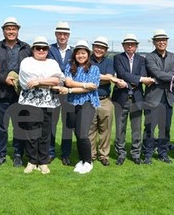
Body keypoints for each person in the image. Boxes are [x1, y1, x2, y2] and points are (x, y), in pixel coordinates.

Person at [0, 17, 31, 167]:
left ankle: (18, 154)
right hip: (0, 93)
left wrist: (16, 78)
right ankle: (0, 154)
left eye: (14, 29)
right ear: (3, 31)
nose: (11, 32)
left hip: (20, 94)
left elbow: (31, 68)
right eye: (8, 29)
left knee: (20, 125)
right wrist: (4, 79)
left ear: (18, 30)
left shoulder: (26, 47)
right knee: (1, 126)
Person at [18, 36, 64, 175]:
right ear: (33, 49)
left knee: (45, 132)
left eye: (44, 48)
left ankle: (43, 162)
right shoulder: (27, 61)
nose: (41, 50)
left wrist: (38, 82)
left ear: (47, 50)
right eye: (38, 48)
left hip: (48, 102)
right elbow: (27, 81)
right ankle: (32, 161)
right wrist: (48, 80)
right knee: (32, 132)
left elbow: (58, 80)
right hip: (30, 102)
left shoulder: (52, 62)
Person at [55, 40, 100, 174]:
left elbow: (92, 88)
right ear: (75, 55)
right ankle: (82, 159)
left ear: (88, 54)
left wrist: (73, 88)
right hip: (72, 103)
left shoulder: (94, 68)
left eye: (83, 53)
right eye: (78, 53)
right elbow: (68, 82)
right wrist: (85, 85)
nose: (81, 56)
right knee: (76, 132)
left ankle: (88, 162)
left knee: (82, 134)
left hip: (87, 103)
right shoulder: (70, 67)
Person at [143, 29, 174, 164]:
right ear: (154, 42)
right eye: (158, 40)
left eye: (164, 40)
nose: (161, 42)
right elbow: (157, 73)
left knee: (165, 128)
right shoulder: (149, 57)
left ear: (167, 42)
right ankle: (148, 154)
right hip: (153, 97)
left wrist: (164, 77)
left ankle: (163, 152)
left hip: (168, 97)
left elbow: (172, 72)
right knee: (150, 127)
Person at [112, 34, 155, 165]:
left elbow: (141, 75)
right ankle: (121, 153)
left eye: (132, 44)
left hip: (136, 97)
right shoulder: (117, 58)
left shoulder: (141, 59)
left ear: (136, 46)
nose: (130, 46)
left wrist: (132, 80)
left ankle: (136, 153)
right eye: (127, 44)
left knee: (136, 128)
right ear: (123, 46)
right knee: (120, 128)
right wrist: (139, 80)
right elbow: (122, 74)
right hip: (121, 98)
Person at [88, 37, 127, 166]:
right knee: (90, 129)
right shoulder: (87, 60)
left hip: (105, 100)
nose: (99, 49)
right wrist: (107, 78)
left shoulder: (109, 61)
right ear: (93, 47)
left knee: (105, 129)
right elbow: (88, 76)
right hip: (89, 99)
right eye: (97, 46)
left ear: (105, 50)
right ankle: (91, 155)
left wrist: (97, 78)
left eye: (102, 48)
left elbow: (109, 77)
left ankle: (104, 155)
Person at [47, 21, 74, 165]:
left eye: (65, 34)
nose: (62, 36)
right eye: (60, 33)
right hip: (53, 92)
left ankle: (65, 153)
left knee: (67, 125)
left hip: (68, 93)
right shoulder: (49, 49)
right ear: (56, 34)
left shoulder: (74, 51)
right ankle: (50, 152)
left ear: (68, 35)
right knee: (51, 123)